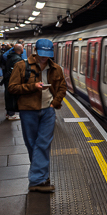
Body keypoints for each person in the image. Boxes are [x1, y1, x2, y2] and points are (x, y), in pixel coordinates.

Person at [8, 39, 66, 193]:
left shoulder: (56, 68)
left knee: (43, 143)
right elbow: (12, 88)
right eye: (42, 54)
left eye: (47, 55)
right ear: (35, 50)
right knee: (32, 144)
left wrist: (55, 102)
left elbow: (62, 87)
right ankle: (41, 175)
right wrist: (32, 87)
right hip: (28, 111)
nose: (44, 58)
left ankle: (37, 180)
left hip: (48, 110)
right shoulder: (22, 66)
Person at [2, 44, 25, 120]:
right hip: (12, 80)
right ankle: (11, 114)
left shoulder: (10, 56)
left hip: (8, 79)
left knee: (9, 96)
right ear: (21, 50)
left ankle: (9, 113)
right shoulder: (17, 59)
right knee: (12, 97)